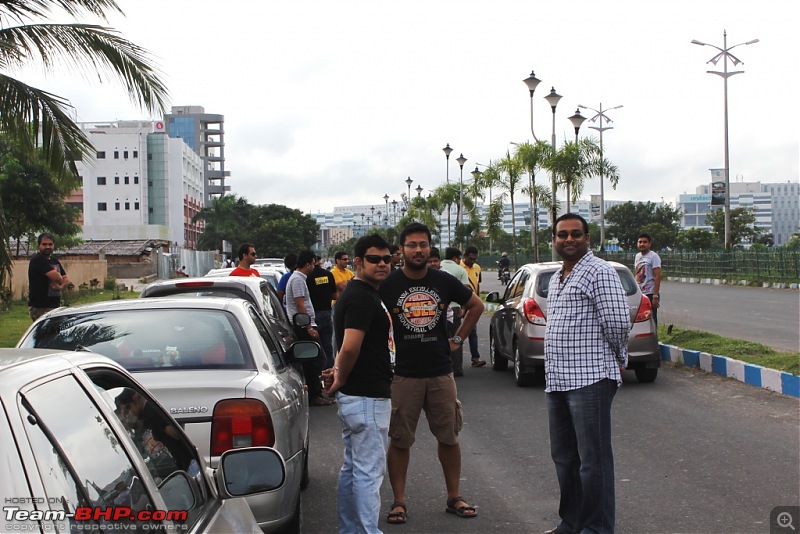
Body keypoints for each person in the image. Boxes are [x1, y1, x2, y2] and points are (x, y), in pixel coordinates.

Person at [379, 222, 484, 524]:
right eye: (411, 245)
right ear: (401, 250)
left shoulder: (443, 280)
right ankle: (399, 501)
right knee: (400, 439)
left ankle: (454, 496)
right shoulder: (388, 285)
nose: (418, 250)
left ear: (430, 247)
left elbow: (475, 306)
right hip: (403, 374)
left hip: (440, 372)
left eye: (423, 244)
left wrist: (457, 340)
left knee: (449, 436)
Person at [544, 213, 629, 534]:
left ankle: (597, 527)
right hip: (559, 381)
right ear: (553, 240)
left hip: (590, 380)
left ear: (587, 238)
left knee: (593, 462)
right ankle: (572, 521)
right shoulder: (556, 277)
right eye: (562, 235)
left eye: (575, 234)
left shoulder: (600, 272)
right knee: (565, 459)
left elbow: (618, 323)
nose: (568, 240)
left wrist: (618, 358)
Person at [322, 233, 394, 534]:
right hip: (366, 397)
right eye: (374, 259)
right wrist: (341, 376)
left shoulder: (357, 293)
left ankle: (351, 530)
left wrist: (339, 374)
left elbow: (345, 348)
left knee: (354, 469)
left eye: (387, 259)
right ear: (358, 262)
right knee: (368, 473)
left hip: (359, 396)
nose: (382, 264)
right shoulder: (362, 296)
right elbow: (350, 347)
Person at [287, 250, 332, 406]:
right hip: (303, 326)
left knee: (314, 360)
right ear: (307, 264)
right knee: (317, 359)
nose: (314, 266)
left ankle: (314, 392)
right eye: (313, 263)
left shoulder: (299, 278)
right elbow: (300, 304)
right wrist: (308, 327)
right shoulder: (298, 280)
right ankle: (314, 394)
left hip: (305, 324)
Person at [441, 247, 471, 377]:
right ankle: (457, 368)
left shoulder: (437, 268)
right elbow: (465, 290)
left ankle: (442, 367)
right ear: (455, 258)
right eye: (459, 259)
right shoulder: (460, 270)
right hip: (455, 308)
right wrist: (464, 308)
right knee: (456, 338)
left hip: (440, 308)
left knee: (440, 337)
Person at [28, 232, 70, 321]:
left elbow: (66, 279)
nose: (47, 247)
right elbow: (57, 278)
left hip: (54, 304)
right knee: (44, 333)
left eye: (50, 244)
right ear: (39, 245)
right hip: (40, 306)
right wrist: (59, 279)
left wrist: (60, 287)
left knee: (54, 332)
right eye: (44, 244)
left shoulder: (54, 260)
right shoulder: (37, 259)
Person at [308, 255, 337, 368]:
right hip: (327, 312)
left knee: (315, 346)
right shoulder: (328, 274)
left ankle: (318, 372)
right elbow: (334, 295)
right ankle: (329, 371)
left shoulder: (308, 276)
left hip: (312, 314)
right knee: (327, 345)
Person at [460, 245, 486, 367]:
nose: (473, 261)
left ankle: (475, 358)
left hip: (472, 305)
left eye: (475, 259)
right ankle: (455, 361)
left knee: (472, 331)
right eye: (471, 259)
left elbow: (477, 285)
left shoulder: (477, 268)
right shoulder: (459, 268)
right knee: (456, 332)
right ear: (464, 257)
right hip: (459, 305)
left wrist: (478, 300)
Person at [635, 233, 662, 326]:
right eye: (640, 242)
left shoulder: (653, 256)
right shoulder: (637, 256)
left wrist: (655, 296)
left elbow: (658, 276)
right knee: (641, 318)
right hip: (640, 293)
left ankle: (654, 338)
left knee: (651, 318)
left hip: (650, 293)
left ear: (649, 244)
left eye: (645, 242)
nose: (642, 244)